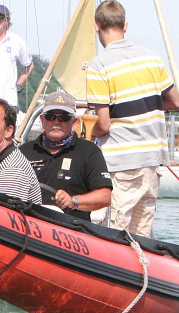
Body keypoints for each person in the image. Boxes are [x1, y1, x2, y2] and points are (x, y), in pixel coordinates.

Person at [86, 0, 179, 237]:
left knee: (115, 233)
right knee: (141, 235)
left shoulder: (99, 65)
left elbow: (104, 124)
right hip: (152, 158)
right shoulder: (151, 57)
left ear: (97, 26)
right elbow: (176, 102)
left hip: (122, 161)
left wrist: (88, 131)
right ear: (125, 26)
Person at [19, 89, 112, 219]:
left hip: (71, 231)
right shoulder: (23, 152)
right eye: (50, 116)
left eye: (64, 117)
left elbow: (105, 196)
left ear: (74, 122)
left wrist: (73, 201)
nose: (56, 122)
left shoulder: (89, 151)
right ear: (42, 120)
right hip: (28, 225)